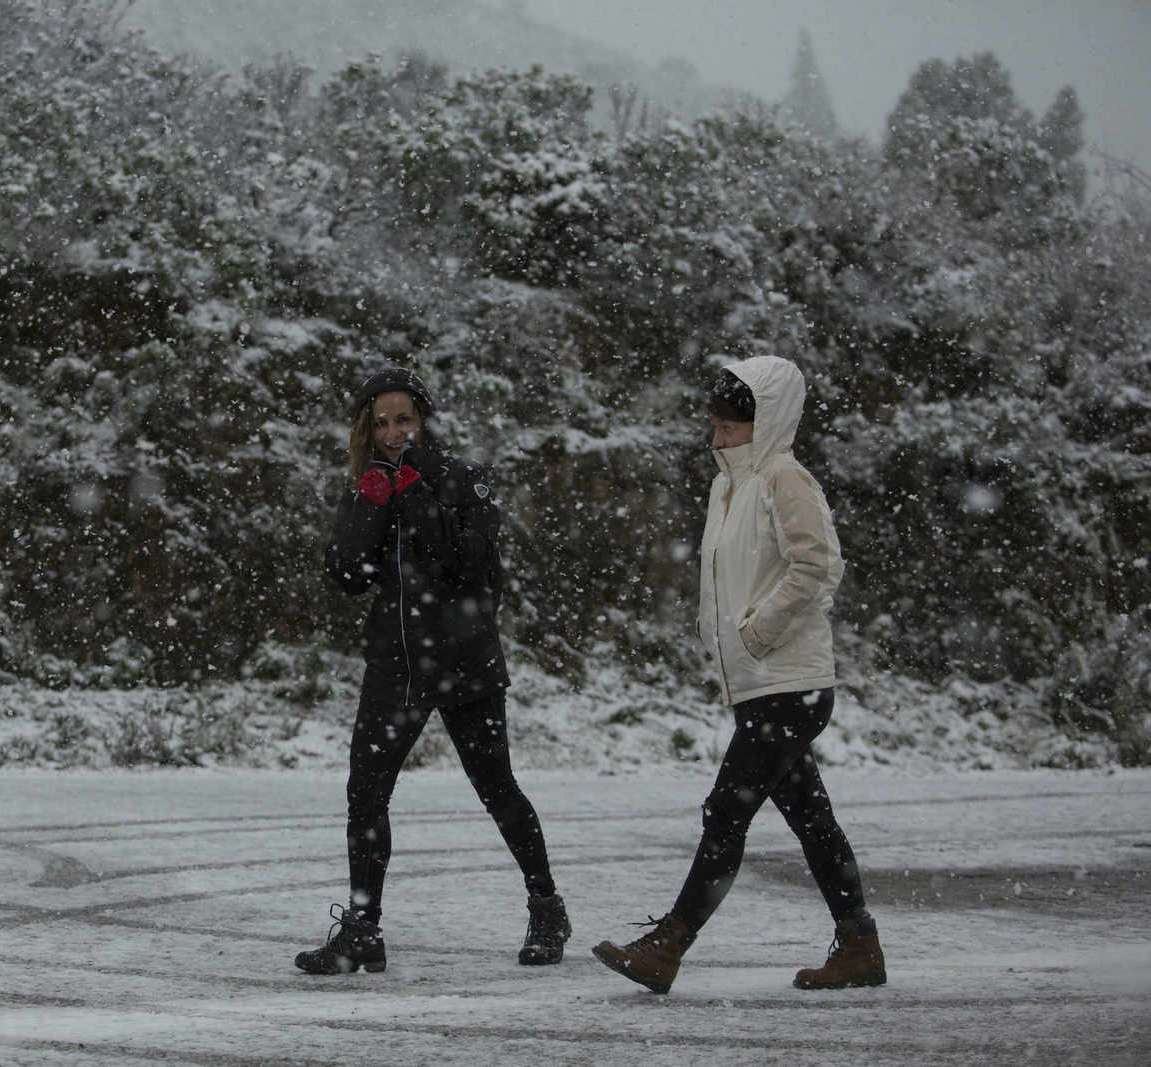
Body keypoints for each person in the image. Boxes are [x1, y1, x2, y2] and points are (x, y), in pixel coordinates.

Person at [592, 355, 887, 994]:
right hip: (760, 685)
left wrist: (756, 631)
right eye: (715, 426)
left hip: (791, 681)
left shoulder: (785, 478)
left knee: (726, 811)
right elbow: (721, 575)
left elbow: (817, 566)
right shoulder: (727, 486)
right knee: (812, 819)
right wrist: (714, 630)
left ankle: (668, 947)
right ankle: (859, 942)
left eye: (730, 429)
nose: (717, 439)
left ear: (767, 422)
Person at [294, 367, 571, 975]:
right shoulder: (367, 486)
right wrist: (369, 505)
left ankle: (547, 906)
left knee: (496, 789)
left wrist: (418, 495)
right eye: (383, 422)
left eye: (404, 419)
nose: (395, 432)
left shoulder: (462, 478)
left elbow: (476, 564)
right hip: (394, 667)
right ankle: (362, 929)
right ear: (368, 429)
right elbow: (345, 576)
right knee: (365, 795)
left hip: (464, 664)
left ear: (424, 420)